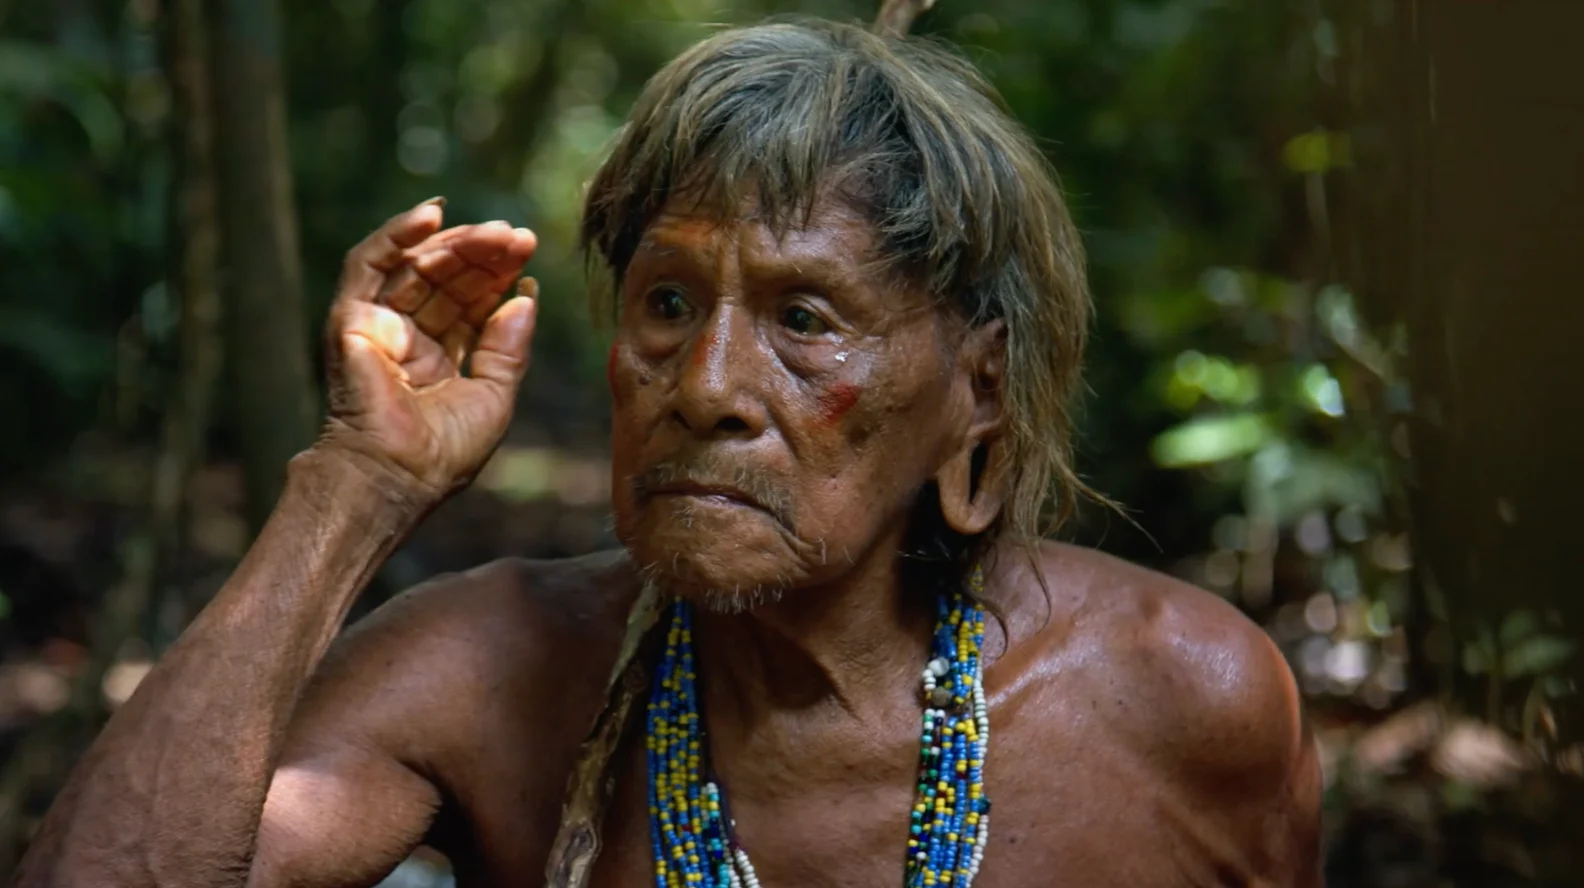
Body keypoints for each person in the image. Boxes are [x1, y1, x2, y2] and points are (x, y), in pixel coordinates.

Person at [17, 19, 1321, 888]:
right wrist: (353, 489)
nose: (705, 388)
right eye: (668, 305)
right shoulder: (489, 677)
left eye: (805, 320)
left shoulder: (1184, 705)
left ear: (976, 395)